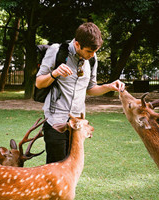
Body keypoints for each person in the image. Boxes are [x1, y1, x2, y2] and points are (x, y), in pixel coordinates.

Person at [36, 22, 125, 164]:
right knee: (55, 171)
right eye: (89, 51)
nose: (92, 55)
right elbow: (39, 83)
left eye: (95, 51)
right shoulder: (55, 51)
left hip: (77, 125)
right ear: (77, 45)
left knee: (72, 168)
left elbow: (90, 89)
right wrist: (54, 73)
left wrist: (109, 86)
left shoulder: (92, 59)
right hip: (55, 121)